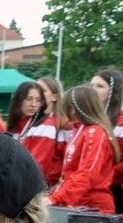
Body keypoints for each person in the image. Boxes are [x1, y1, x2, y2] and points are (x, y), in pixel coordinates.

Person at [48, 85, 119, 213]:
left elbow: (87, 172)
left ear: (74, 109)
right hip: (78, 204)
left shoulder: (96, 132)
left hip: (94, 207)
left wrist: (56, 198)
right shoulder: (79, 130)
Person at [25, 77, 70, 188]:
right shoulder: (41, 120)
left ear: (54, 97)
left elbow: (39, 162)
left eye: (42, 90)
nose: (37, 93)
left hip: (41, 184)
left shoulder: (48, 124)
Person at [90, 68, 123, 211]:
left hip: (114, 188)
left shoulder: (121, 122)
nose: (93, 90)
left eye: (99, 86)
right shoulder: (87, 121)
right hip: (89, 188)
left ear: (112, 91)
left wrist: (106, 175)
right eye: (91, 86)